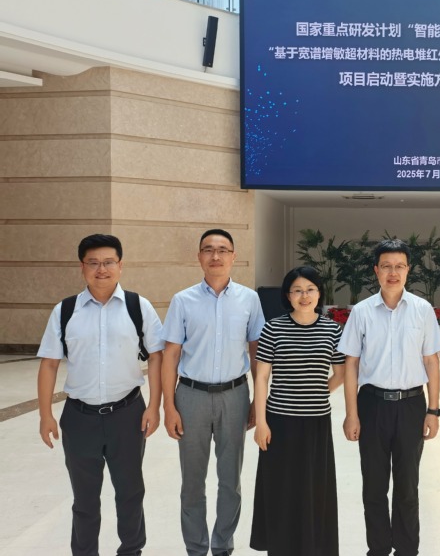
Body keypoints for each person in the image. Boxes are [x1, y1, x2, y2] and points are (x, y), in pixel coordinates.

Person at [37, 233, 164, 556]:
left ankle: (131, 551)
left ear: (120, 265)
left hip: (128, 414)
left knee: (130, 493)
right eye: (93, 263)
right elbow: (49, 364)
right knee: (84, 500)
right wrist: (45, 414)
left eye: (108, 262)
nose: (101, 269)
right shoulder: (65, 310)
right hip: (79, 418)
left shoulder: (138, 306)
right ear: (82, 267)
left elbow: (157, 357)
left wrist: (154, 406)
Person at [161, 229, 265, 556]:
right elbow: (170, 356)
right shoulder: (182, 300)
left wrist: (257, 402)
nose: (215, 256)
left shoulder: (249, 300)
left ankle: (222, 545)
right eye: (208, 249)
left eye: (222, 250)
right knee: (192, 481)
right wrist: (169, 406)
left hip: (235, 395)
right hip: (190, 396)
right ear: (199, 257)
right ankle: (195, 547)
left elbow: (257, 353)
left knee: (230, 480)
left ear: (233, 256)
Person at [339, 238, 440, 556]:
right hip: (372, 405)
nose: (393, 272)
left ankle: (407, 549)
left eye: (399, 266)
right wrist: (351, 414)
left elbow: (431, 361)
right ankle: (379, 549)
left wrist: (433, 410)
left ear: (408, 270)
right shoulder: (361, 312)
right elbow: (351, 364)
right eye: (386, 266)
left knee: (408, 487)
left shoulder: (423, 310)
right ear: (376, 270)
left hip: (412, 405)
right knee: (374, 486)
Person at [250, 266, 345, 555]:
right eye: (297, 290)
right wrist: (261, 422)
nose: (305, 296)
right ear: (288, 295)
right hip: (279, 422)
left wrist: (316, 393)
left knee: (314, 488)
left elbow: (340, 374)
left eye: (310, 289)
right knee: (281, 488)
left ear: (319, 293)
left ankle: (312, 547)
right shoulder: (273, 328)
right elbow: (262, 377)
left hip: (316, 422)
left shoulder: (332, 330)